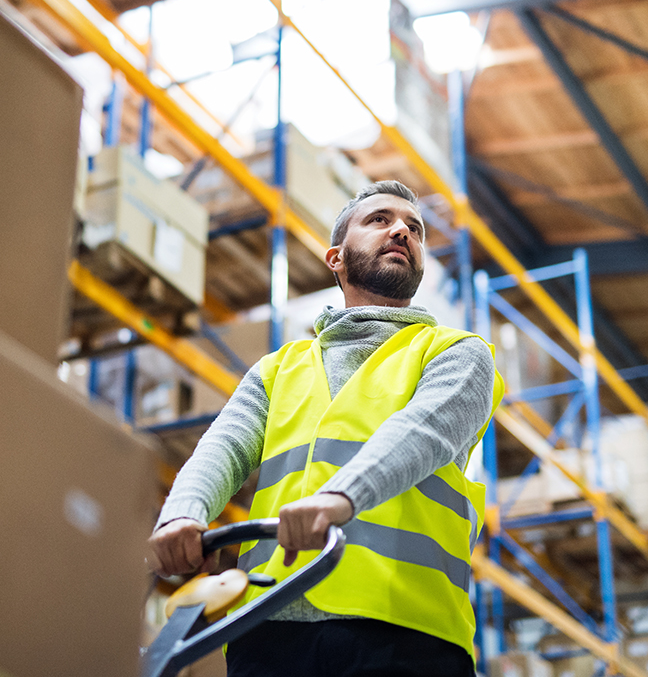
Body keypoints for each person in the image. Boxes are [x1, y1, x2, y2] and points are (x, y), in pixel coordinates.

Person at [149, 180, 504, 677]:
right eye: (379, 220)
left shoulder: (457, 352)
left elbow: (425, 432)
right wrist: (182, 515)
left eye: (414, 229)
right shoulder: (278, 369)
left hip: (405, 633)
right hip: (267, 630)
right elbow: (223, 447)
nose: (402, 230)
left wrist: (340, 497)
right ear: (335, 258)